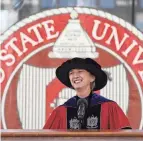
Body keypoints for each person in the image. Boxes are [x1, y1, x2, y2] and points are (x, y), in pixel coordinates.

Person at [43, 57, 132, 129]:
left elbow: (125, 137)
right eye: (71, 73)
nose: (75, 76)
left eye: (80, 71)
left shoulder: (109, 107)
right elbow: (45, 138)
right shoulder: (61, 111)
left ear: (92, 77)